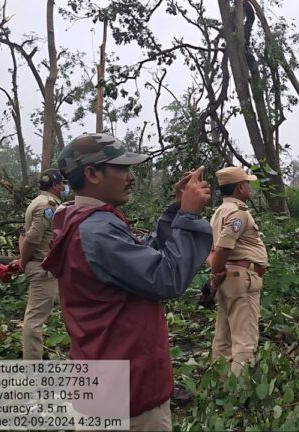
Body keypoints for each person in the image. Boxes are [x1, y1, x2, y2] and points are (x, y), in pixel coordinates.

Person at [41, 133, 213, 431]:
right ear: (93, 173)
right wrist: (188, 216)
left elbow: (142, 255)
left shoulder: (80, 219)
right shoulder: (97, 231)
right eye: (122, 169)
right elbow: (166, 277)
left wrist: (174, 211)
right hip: (128, 396)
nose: (130, 177)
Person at [208, 166, 268, 375]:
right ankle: (237, 396)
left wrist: (216, 277)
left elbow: (211, 250)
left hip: (228, 279)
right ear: (240, 187)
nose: (249, 187)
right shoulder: (238, 214)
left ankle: (218, 384)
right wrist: (217, 273)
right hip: (241, 279)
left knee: (223, 337)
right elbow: (223, 247)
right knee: (244, 340)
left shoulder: (218, 213)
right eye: (247, 184)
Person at [9, 169, 68, 359]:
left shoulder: (42, 202)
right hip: (43, 269)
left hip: (50, 268)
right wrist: (24, 262)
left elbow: (25, 235)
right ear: (55, 185)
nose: (65, 187)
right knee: (34, 321)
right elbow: (33, 239)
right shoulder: (46, 206)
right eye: (62, 183)